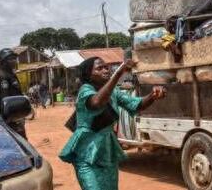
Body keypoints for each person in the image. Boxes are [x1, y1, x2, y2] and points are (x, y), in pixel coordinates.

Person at [59, 57, 166, 190]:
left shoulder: (113, 92)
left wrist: (152, 96)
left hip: (107, 152)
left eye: (106, 67)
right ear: (89, 75)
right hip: (86, 154)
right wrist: (119, 73)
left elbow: (135, 105)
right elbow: (97, 103)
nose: (105, 70)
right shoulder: (85, 90)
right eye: (99, 68)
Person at [0, 48, 27, 139]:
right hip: (9, 119)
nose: (14, 61)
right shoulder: (2, 76)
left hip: (16, 116)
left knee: (23, 142)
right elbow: (5, 101)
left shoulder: (11, 74)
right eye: (10, 59)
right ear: (3, 61)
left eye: (15, 58)